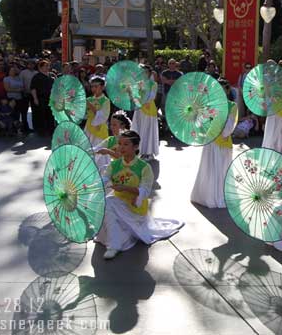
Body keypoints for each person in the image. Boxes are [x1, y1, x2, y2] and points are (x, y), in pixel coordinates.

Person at [96, 130, 184, 259]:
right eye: (119, 143)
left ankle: (114, 245)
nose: (121, 147)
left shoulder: (144, 167)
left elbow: (145, 190)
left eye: (126, 144)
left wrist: (124, 188)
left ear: (136, 147)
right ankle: (116, 241)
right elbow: (103, 180)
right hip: (117, 202)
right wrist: (88, 186)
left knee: (108, 202)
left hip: (134, 207)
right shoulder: (114, 164)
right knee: (107, 203)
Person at [191, 87, 238, 208]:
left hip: (223, 140)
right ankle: (208, 196)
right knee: (210, 166)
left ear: (227, 91)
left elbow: (231, 124)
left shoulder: (232, 105)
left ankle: (220, 195)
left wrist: (224, 133)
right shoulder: (210, 104)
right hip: (211, 139)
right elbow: (201, 121)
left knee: (223, 167)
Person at [262, 70, 282, 156]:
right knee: (271, 138)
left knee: (281, 140)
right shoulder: (273, 86)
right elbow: (267, 100)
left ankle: (278, 160)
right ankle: (269, 158)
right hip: (273, 115)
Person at [131, 65, 160, 160]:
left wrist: (142, 90)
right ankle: (138, 150)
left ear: (150, 73)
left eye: (146, 72)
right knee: (138, 129)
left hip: (149, 109)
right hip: (139, 109)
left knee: (147, 129)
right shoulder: (137, 83)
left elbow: (152, 96)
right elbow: (134, 97)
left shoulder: (153, 84)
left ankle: (148, 152)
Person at [30, 60, 55, 136]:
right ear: (40, 67)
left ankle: (50, 130)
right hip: (41, 98)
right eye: (45, 66)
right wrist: (35, 98)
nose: (47, 67)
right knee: (41, 115)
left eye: (48, 66)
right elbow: (33, 88)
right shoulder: (36, 77)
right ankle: (42, 131)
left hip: (50, 98)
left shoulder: (51, 76)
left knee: (50, 115)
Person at [85, 76, 111, 147]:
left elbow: (102, 115)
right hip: (88, 127)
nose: (93, 89)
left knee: (99, 150)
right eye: (92, 86)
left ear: (102, 87)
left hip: (100, 128)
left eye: (96, 86)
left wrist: (89, 105)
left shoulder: (106, 101)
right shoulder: (89, 99)